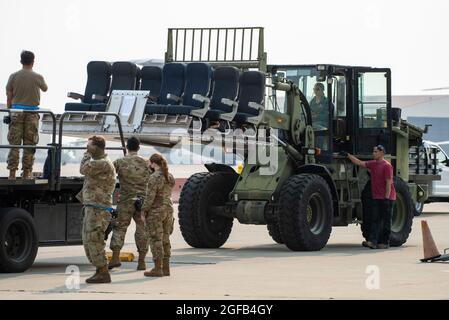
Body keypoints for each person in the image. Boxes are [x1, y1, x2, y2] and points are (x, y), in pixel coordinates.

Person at [77, 136, 116, 283]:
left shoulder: (103, 163)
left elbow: (83, 169)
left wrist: (86, 156)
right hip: (93, 206)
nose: (87, 149)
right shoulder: (98, 163)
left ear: (97, 147)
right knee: (88, 239)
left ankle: (103, 272)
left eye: (89, 146)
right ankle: (100, 270)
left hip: (98, 209)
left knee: (94, 239)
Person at [109, 137, 150, 271]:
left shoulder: (120, 162)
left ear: (127, 147)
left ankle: (115, 258)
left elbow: (108, 175)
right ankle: (142, 261)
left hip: (126, 199)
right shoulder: (147, 163)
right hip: (143, 201)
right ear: (139, 147)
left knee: (120, 228)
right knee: (142, 229)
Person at [5, 50, 48, 180]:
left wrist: (9, 111)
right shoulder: (37, 76)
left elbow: (9, 95)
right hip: (32, 113)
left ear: (21, 61)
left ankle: (12, 174)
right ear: (33, 61)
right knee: (30, 144)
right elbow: (45, 88)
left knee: (15, 144)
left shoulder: (13, 76)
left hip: (16, 112)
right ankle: (27, 173)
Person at [344, 145, 396, 249]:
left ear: (382, 153)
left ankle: (385, 243)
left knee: (386, 221)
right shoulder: (372, 164)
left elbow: (388, 183)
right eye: (373, 151)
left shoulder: (387, 166)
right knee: (375, 220)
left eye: (376, 152)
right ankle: (373, 242)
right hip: (377, 197)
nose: (373, 153)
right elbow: (359, 163)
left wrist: (386, 198)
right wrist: (348, 155)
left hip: (387, 198)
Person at [142, 153, 175, 277]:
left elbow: (150, 197)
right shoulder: (169, 177)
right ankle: (166, 268)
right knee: (165, 239)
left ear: (154, 164)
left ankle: (157, 268)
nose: (149, 166)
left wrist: (143, 211)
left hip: (156, 211)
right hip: (168, 210)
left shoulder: (154, 177)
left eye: (150, 163)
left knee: (156, 239)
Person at [309, 83, 332, 149]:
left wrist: (316, 116)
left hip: (323, 123)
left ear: (322, 90)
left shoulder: (327, 102)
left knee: (316, 128)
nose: (315, 91)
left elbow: (327, 116)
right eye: (314, 89)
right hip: (312, 122)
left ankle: (318, 148)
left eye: (317, 89)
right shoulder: (312, 102)